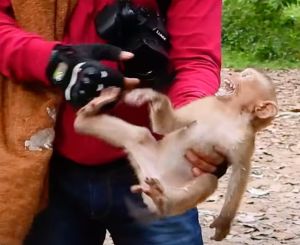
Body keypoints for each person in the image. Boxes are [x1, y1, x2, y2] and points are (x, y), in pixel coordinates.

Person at [0, 0, 224, 244]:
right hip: (45, 159)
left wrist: (193, 119)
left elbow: (195, 59)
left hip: (154, 164)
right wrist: (55, 62)